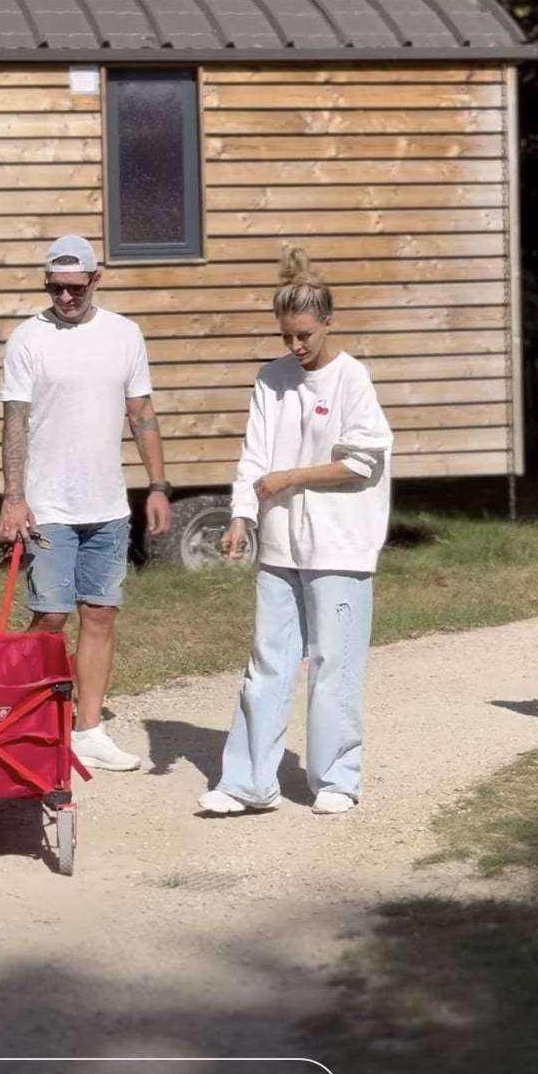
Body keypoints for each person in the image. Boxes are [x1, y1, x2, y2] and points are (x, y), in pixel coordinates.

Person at [199, 246, 393, 818]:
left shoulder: (351, 378)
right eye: (286, 336)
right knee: (267, 660)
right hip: (282, 544)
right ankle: (247, 782)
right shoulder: (271, 379)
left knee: (333, 663)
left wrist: (293, 476)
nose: (296, 346)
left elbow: (363, 462)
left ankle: (336, 779)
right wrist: (242, 514)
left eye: (304, 335)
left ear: (327, 322)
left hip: (341, 544)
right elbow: (253, 454)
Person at [0, 234, 171, 771]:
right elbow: (15, 421)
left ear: (96, 280)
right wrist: (14, 497)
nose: (65, 298)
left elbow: (141, 412)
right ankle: (17, 720)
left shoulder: (124, 334)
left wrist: (158, 486)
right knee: (49, 617)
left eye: (75, 288)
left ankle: (88, 729)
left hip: (108, 505)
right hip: (50, 506)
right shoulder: (28, 338)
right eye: (55, 288)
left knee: (100, 614)